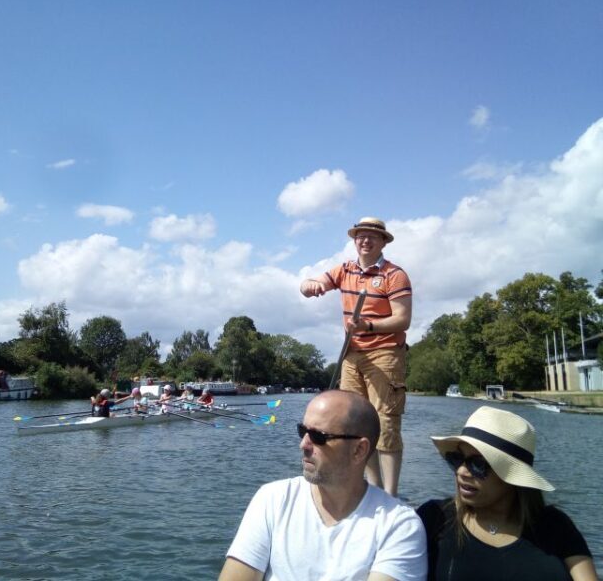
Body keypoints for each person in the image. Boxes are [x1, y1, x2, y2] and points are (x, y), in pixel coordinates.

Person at [219, 390, 427, 581]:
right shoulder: (273, 498)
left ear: (359, 450)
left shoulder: (398, 525)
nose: (303, 445)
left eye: (318, 437)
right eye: (303, 431)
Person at [416, 406, 597, 581]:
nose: (462, 471)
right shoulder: (434, 519)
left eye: (478, 464)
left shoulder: (556, 525)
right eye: (457, 459)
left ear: (513, 477)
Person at [300, 216, 412, 497]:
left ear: (383, 241)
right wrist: (309, 286)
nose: (365, 240)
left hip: (385, 352)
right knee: (358, 424)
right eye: (360, 235)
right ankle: (373, 487)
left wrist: (369, 325)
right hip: (353, 353)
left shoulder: (394, 275)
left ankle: (391, 494)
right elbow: (314, 283)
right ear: (354, 240)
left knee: (385, 423)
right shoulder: (345, 270)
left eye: (372, 236)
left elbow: (403, 319)